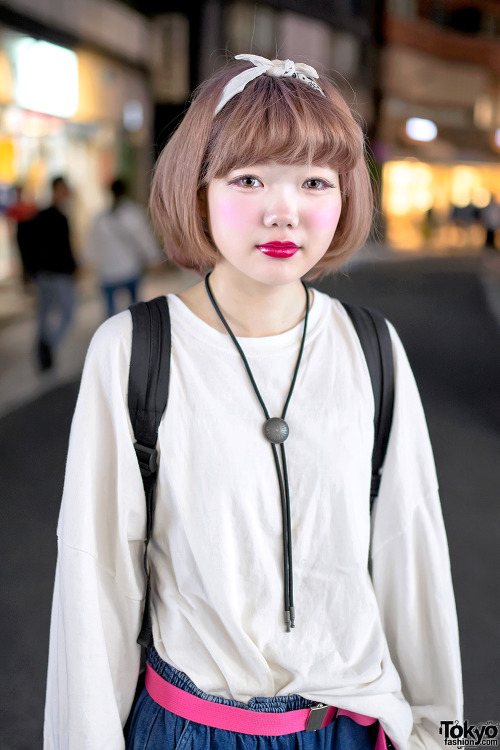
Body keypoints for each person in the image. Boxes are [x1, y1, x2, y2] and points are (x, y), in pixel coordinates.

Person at [44, 54, 462, 750]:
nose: (284, 210)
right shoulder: (134, 350)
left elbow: (411, 555)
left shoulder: (371, 347)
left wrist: (443, 734)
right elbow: (96, 580)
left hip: (351, 730)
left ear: (345, 195)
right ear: (198, 189)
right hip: (193, 729)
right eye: (248, 178)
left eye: (314, 182)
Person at [83, 178, 163, 318]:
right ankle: (134, 334)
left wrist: (86, 263)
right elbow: (144, 238)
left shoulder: (101, 217)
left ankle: (110, 336)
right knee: (134, 310)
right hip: (129, 269)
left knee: (109, 313)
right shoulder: (133, 214)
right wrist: (154, 258)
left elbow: (92, 244)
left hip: (107, 272)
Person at [31, 176, 77, 371]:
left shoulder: (42, 215)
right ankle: (48, 348)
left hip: (43, 273)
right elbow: (64, 249)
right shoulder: (58, 217)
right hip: (57, 273)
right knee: (67, 312)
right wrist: (73, 268)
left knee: (44, 314)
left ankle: (44, 350)